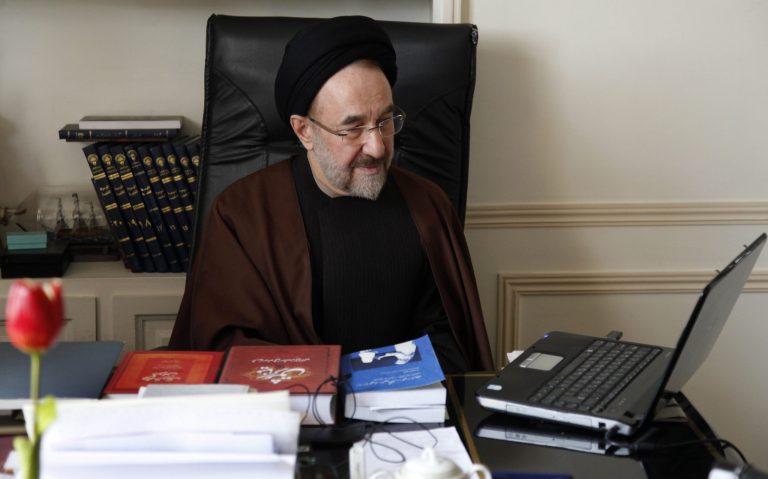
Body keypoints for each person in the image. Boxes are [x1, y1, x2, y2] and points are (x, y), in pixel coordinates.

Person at [169, 15, 493, 372]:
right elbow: (228, 351)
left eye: (385, 122)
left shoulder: (428, 206)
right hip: (293, 417)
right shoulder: (241, 215)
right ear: (304, 131)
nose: (377, 147)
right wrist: (331, 384)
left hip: (408, 411)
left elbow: (451, 346)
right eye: (352, 129)